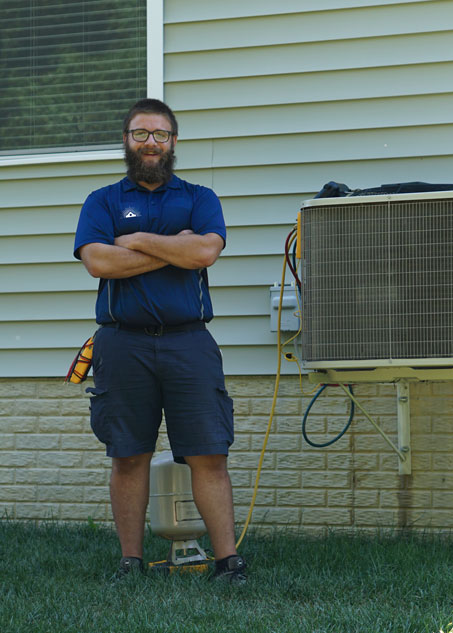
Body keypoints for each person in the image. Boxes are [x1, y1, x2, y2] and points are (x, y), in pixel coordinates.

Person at [73, 98, 246, 583]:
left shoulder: (198, 197)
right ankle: (130, 561)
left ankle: (227, 561)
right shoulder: (102, 201)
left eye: (160, 134)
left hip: (188, 342)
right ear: (127, 140)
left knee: (208, 453)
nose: (151, 142)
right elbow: (99, 263)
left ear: (173, 142)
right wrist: (176, 249)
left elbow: (207, 250)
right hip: (121, 344)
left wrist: (134, 241)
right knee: (128, 454)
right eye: (140, 133)